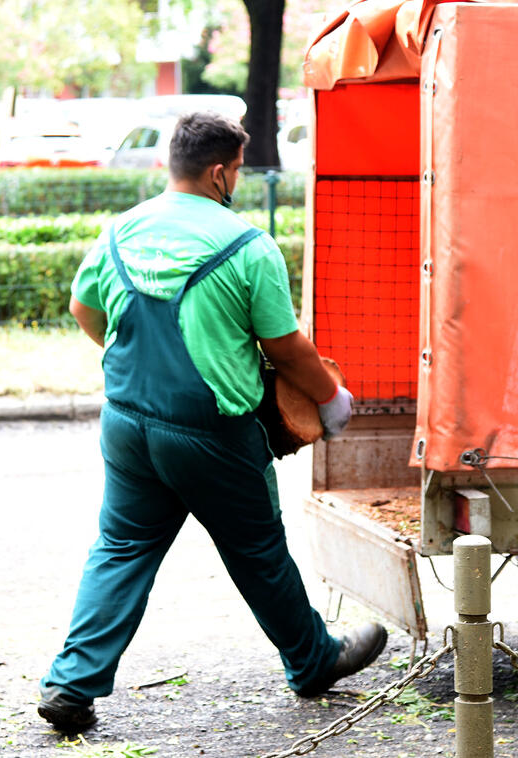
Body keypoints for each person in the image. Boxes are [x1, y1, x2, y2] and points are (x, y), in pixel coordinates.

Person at [38, 111, 387, 732]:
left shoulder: (121, 231)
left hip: (127, 421)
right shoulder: (247, 245)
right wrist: (331, 397)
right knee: (258, 550)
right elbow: (284, 347)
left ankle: (70, 683)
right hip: (212, 435)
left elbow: (85, 310)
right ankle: (313, 661)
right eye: (239, 172)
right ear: (221, 171)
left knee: (121, 548)